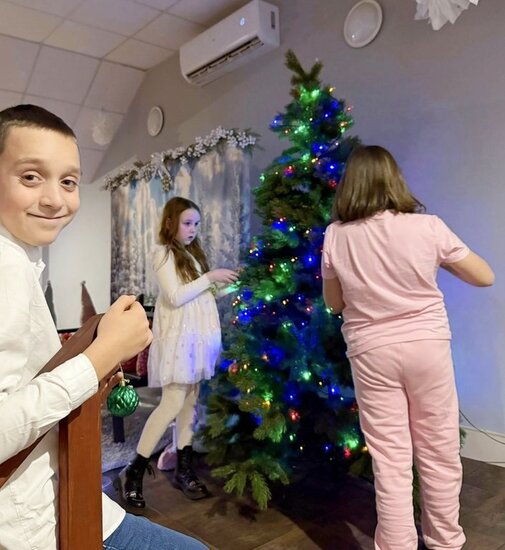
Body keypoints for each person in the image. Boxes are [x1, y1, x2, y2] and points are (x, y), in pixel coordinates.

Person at [0, 104, 207, 550]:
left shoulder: (21, 262)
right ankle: (139, 468)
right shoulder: (7, 267)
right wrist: (100, 357)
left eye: (68, 182)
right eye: (31, 177)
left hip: (63, 499)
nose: (55, 199)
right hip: (38, 524)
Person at [321, 145, 494, 550]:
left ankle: (397, 544)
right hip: (426, 347)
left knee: (391, 458)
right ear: (393, 180)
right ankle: (445, 540)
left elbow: (334, 303)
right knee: (439, 450)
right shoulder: (428, 227)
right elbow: (484, 276)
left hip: (371, 352)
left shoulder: (336, 235)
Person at [118, 196, 239, 508]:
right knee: (171, 403)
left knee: (190, 405)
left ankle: (184, 469)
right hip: (180, 341)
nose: (192, 229)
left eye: (196, 224)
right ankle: (134, 471)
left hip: (198, 340)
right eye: (187, 223)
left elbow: (204, 295)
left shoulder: (192, 256)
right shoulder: (162, 253)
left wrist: (234, 284)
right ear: (170, 222)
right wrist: (210, 277)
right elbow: (175, 296)